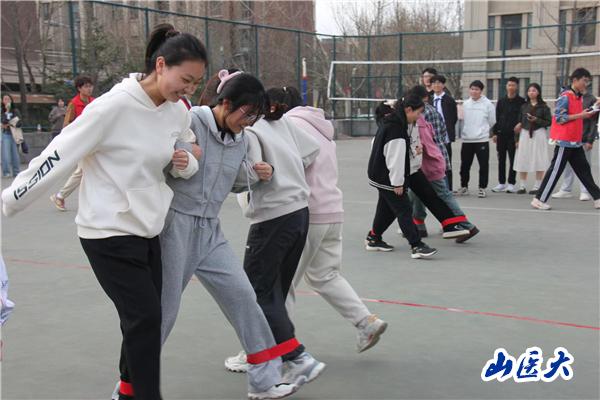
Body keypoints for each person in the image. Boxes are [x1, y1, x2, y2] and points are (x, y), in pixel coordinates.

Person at [2, 23, 206, 399]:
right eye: (186, 80)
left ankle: (127, 391)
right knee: (145, 318)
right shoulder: (112, 107)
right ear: (161, 65)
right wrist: (13, 198)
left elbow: (187, 152)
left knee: (146, 319)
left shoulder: (178, 113)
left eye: (196, 83)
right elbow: (60, 153)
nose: (189, 90)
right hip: (107, 232)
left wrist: (185, 163)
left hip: (148, 230)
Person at [158, 71, 300, 400]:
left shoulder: (241, 139)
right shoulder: (190, 120)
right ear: (225, 103)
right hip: (174, 227)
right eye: (246, 114)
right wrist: (180, 158)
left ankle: (264, 381)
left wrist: (256, 173)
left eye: (255, 117)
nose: (249, 123)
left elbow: (233, 181)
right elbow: (164, 159)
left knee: (244, 296)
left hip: (210, 230)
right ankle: (128, 389)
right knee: (163, 312)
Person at [225, 87, 327, 386]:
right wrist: (288, 168)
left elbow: (252, 175)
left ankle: (295, 356)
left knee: (256, 293)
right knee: (275, 293)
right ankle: (271, 355)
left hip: (274, 217)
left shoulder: (251, 131)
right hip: (299, 213)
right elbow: (312, 150)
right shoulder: (282, 124)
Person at [277, 86, 388, 354]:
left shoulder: (288, 126)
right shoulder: (321, 127)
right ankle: (366, 322)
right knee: (325, 275)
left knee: (280, 284)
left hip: (307, 214)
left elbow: (288, 169)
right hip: (332, 210)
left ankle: (275, 347)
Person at [366, 94, 438, 259]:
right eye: (418, 113)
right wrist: (398, 183)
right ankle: (417, 245)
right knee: (404, 209)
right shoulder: (397, 130)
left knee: (386, 209)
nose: (419, 117)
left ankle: (374, 238)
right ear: (408, 110)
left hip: (380, 175)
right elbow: (395, 159)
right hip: (388, 178)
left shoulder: (391, 122)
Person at [531, 67, 600, 210]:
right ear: (575, 80)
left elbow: (581, 114)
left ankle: (598, 198)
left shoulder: (578, 96)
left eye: (588, 81)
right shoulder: (565, 96)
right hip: (565, 141)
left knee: (584, 170)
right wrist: (581, 115)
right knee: (555, 170)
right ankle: (539, 199)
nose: (586, 84)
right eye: (584, 81)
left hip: (575, 141)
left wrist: (595, 107)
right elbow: (560, 118)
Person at [49, 75, 95, 211]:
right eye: (86, 86)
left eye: (90, 86)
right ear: (79, 88)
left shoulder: (94, 102)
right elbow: (67, 125)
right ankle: (60, 196)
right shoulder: (73, 104)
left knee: (91, 170)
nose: (89, 89)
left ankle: (63, 196)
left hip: (94, 141)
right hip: (81, 142)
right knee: (81, 171)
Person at [551, 90, 599, 200]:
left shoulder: (590, 98)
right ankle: (566, 189)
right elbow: (561, 117)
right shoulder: (569, 97)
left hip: (583, 137)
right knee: (567, 165)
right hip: (570, 137)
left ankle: (585, 191)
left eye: (585, 82)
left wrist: (590, 140)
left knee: (584, 166)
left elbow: (593, 122)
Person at [457, 80, 496, 198]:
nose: (474, 91)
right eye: (472, 89)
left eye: (476, 89)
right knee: (465, 165)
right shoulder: (465, 104)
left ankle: (482, 188)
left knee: (483, 165)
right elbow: (462, 120)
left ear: (481, 91)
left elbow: (492, 121)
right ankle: (464, 186)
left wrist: (483, 131)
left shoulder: (488, 104)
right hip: (467, 140)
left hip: (481, 140)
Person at [513, 83, 552, 194]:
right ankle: (522, 185)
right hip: (525, 133)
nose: (531, 92)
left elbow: (549, 122)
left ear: (538, 92)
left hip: (538, 133)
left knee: (539, 158)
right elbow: (520, 122)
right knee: (523, 157)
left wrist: (536, 120)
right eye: (529, 90)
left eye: (534, 90)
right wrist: (517, 139)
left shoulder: (544, 107)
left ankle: (537, 185)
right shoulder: (524, 106)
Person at [491, 77, 526, 193]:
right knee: (501, 159)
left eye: (513, 85)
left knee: (513, 159)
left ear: (517, 87)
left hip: (513, 136)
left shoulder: (522, 102)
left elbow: (523, 118)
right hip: (501, 134)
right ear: (506, 86)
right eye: (509, 85)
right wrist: (495, 133)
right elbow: (496, 118)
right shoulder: (501, 101)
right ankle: (501, 183)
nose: (511, 87)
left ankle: (511, 183)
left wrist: (519, 134)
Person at [430, 74, 458, 190]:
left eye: (439, 83)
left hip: (444, 138)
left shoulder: (449, 100)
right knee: (431, 163)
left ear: (443, 85)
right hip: (430, 137)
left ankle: (448, 188)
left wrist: (447, 133)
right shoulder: (429, 99)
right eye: (434, 83)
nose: (436, 85)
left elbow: (453, 118)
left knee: (446, 163)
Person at [1, 94, 23, 178]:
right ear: (3, 101)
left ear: (11, 100)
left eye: (8, 99)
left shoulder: (15, 110)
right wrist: (7, 111)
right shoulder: (2, 111)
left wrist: (10, 124)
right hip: (6, 134)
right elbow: (3, 122)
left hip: (15, 134)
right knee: (5, 155)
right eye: (5, 99)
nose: (7, 101)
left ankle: (16, 172)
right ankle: (6, 172)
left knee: (15, 154)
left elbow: (19, 122)